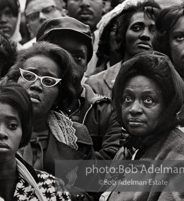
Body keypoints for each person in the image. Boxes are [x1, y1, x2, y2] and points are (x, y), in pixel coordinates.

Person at [101, 51, 184, 200]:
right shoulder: (128, 150)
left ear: (168, 105)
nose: (134, 109)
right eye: (128, 98)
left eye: (148, 100)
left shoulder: (182, 156)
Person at [5, 42, 95, 193]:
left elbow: (89, 193)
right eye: (28, 75)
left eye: (48, 81)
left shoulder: (77, 137)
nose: (36, 85)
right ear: (15, 81)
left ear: (60, 94)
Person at [37, 17, 121, 160]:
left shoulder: (107, 112)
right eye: (60, 55)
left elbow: (112, 163)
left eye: (77, 56)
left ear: (86, 65)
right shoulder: (27, 104)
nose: (68, 63)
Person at [86, 0, 161, 98]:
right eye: (137, 28)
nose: (145, 35)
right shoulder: (96, 84)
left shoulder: (170, 82)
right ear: (123, 34)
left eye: (153, 30)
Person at [60, 0, 110, 76]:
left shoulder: (116, 44)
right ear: (66, 6)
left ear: (104, 5)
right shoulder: (55, 42)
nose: (84, 3)